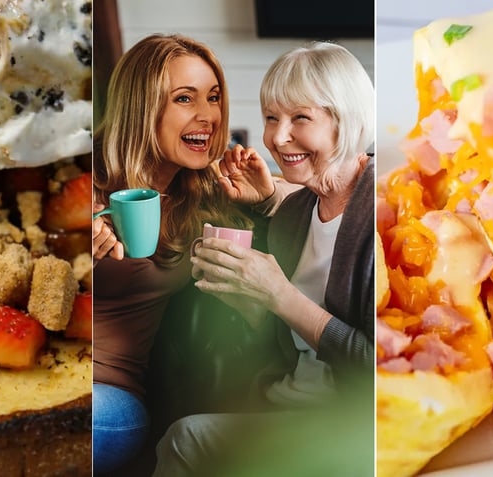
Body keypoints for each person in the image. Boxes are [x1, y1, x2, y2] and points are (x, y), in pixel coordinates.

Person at [152, 41, 375, 477]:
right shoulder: (293, 214)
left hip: (354, 425)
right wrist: (248, 301)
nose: (278, 136)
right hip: (285, 405)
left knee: (184, 440)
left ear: (345, 120)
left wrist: (279, 294)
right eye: (272, 117)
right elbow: (288, 342)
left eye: (300, 118)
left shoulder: (386, 212)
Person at [92, 34, 252, 473]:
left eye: (214, 97)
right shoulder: (80, 182)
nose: (209, 116)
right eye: (185, 98)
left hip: (110, 397)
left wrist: (268, 197)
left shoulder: (205, 193)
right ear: (142, 109)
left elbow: (324, 185)